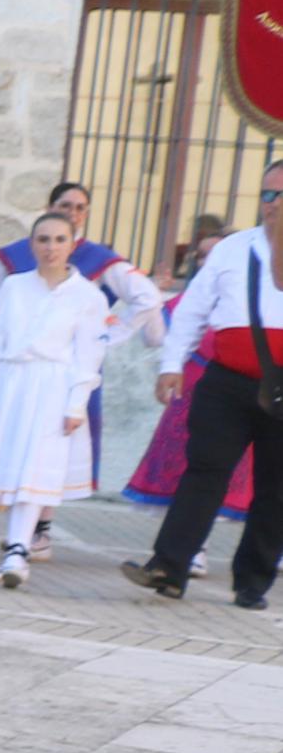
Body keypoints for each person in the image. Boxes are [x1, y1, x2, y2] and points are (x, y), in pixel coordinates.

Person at [123, 160, 283, 610]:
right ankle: (169, 568)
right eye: (268, 195)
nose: (274, 204)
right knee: (204, 472)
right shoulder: (234, 249)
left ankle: (252, 582)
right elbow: (193, 310)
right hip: (227, 382)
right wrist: (171, 364)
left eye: (282, 195)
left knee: (275, 488)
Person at [0, 211, 114, 592]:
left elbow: (88, 357)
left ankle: (17, 553)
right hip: (14, 385)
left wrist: (76, 404)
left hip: (53, 389)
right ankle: (17, 548)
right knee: (13, 466)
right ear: (33, 245)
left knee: (35, 470)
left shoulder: (88, 297)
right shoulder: (14, 287)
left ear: (72, 244)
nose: (51, 248)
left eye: (60, 240)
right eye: (43, 240)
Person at [124, 209, 253, 545]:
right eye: (201, 256)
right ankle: (193, 548)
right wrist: (153, 298)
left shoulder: (252, 293)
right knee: (197, 471)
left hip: (253, 389)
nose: (206, 261)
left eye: (213, 254)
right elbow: (156, 336)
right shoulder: (192, 297)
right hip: (198, 393)